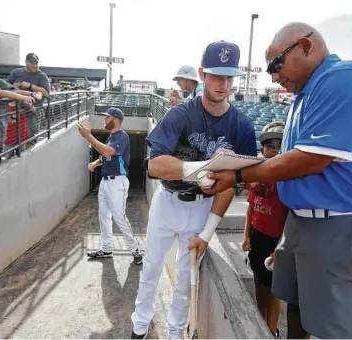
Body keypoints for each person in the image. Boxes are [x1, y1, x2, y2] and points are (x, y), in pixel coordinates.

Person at [205, 22, 352, 339]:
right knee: (297, 305)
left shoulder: (349, 77)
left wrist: (238, 174)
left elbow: (310, 159)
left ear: (305, 47)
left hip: (342, 222)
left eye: (275, 66)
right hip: (302, 222)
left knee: (337, 329)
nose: (274, 77)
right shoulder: (304, 96)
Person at [130, 40, 256, 339]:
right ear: (202, 74)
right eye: (216, 76)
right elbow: (154, 165)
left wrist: (208, 231)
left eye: (229, 77)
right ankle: (139, 326)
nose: (223, 84)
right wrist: (199, 170)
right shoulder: (181, 114)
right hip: (169, 200)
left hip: (203, 206)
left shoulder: (242, 125)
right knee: (151, 268)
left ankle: (175, 332)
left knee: (186, 279)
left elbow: (235, 183)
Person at [78, 107, 143, 265]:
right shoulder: (112, 137)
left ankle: (135, 250)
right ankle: (106, 249)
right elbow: (106, 156)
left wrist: (88, 137)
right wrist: (96, 162)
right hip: (105, 182)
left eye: (108, 117)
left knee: (119, 218)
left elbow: (108, 152)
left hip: (117, 182)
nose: (105, 120)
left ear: (117, 119)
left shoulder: (122, 136)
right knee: (104, 218)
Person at [242, 122, 287, 338]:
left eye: (279, 146)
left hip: (275, 240)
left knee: (273, 289)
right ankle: (260, 322)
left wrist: (279, 248)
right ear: (262, 150)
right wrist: (245, 235)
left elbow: (290, 218)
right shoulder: (258, 178)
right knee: (258, 281)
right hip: (257, 235)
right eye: (269, 146)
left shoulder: (287, 179)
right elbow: (251, 208)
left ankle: (272, 330)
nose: (273, 150)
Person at [8, 53, 50, 148]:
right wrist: (14, 86)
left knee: (31, 138)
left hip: (33, 112)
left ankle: (28, 158)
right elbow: (7, 87)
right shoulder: (16, 72)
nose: (34, 65)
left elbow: (47, 93)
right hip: (16, 110)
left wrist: (30, 86)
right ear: (26, 62)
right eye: (32, 63)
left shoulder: (41, 75)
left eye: (36, 63)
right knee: (13, 137)